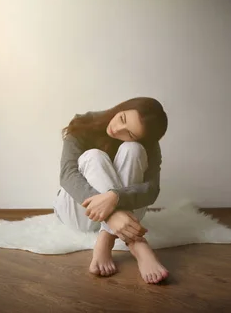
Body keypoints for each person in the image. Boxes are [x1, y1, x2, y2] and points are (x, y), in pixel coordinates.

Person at [53, 97, 169, 284]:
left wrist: (115, 197)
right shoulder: (84, 123)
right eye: (122, 119)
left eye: (129, 133)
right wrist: (113, 214)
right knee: (94, 156)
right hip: (78, 212)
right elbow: (67, 175)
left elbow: (152, 190)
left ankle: (106, 238)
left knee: (134, 150)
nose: (117, 129)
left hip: (114, 216)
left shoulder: (147, 142)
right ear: (122, 107)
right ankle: (135, 242)